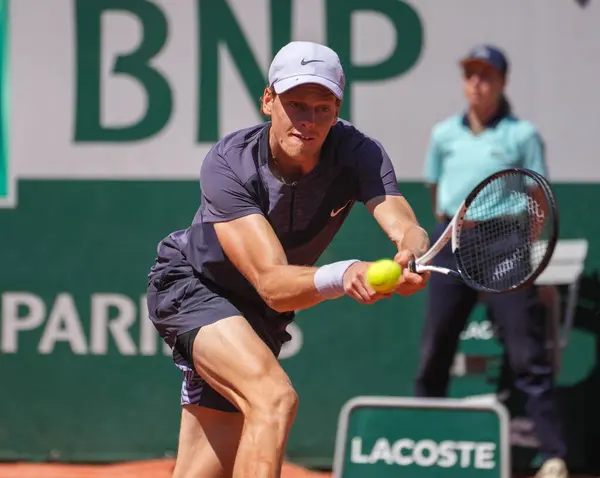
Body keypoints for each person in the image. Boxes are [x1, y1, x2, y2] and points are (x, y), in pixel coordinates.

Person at [146, 40, 430, 478]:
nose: (308, 121)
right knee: (273, 398)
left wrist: (411, 250)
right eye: (295, 104)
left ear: (338, 108)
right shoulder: (230, 163)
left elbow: (403, 222)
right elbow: (274, 285)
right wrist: (344, 274)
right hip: (195, 286)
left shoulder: (359, 153)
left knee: (203, 471)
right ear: (268, 100)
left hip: (256, 315)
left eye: (323, 108)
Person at [417, 44, 568, 478]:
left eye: (486, 76)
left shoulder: (523, 135)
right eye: (471, 75)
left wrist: (521, 248)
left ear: (502, 82)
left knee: (527, 355)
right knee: (435, 349)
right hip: (454, 242)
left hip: (506, 245)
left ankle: (552, 455)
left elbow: (537, 197)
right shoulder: (444, 133)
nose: (477, 84)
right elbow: (435, 189)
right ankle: (424, 442)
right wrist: (451, 229)